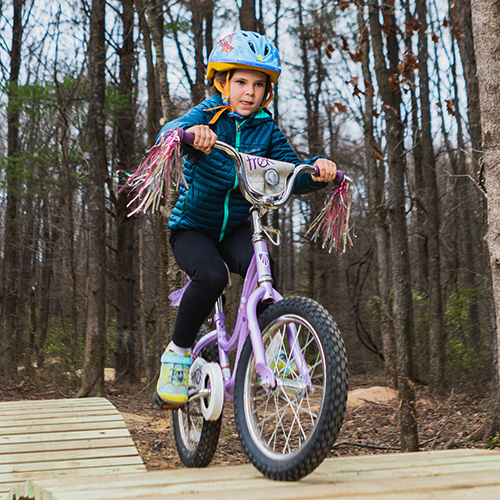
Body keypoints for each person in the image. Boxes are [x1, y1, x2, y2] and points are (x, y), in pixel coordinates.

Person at [154, 31, 337, 408]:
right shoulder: (208, 115)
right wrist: (192, 134)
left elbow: (292, 171)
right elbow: (166, 133)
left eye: (258, 85)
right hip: (193, 228)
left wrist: (318, 170)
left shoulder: (266, 129)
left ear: (267, 92)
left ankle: (276, 352)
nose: (249, 92)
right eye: (240, 82)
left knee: (262, 267)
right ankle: (177, 353)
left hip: (237, 227)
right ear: (223, 83)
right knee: (212, 276)